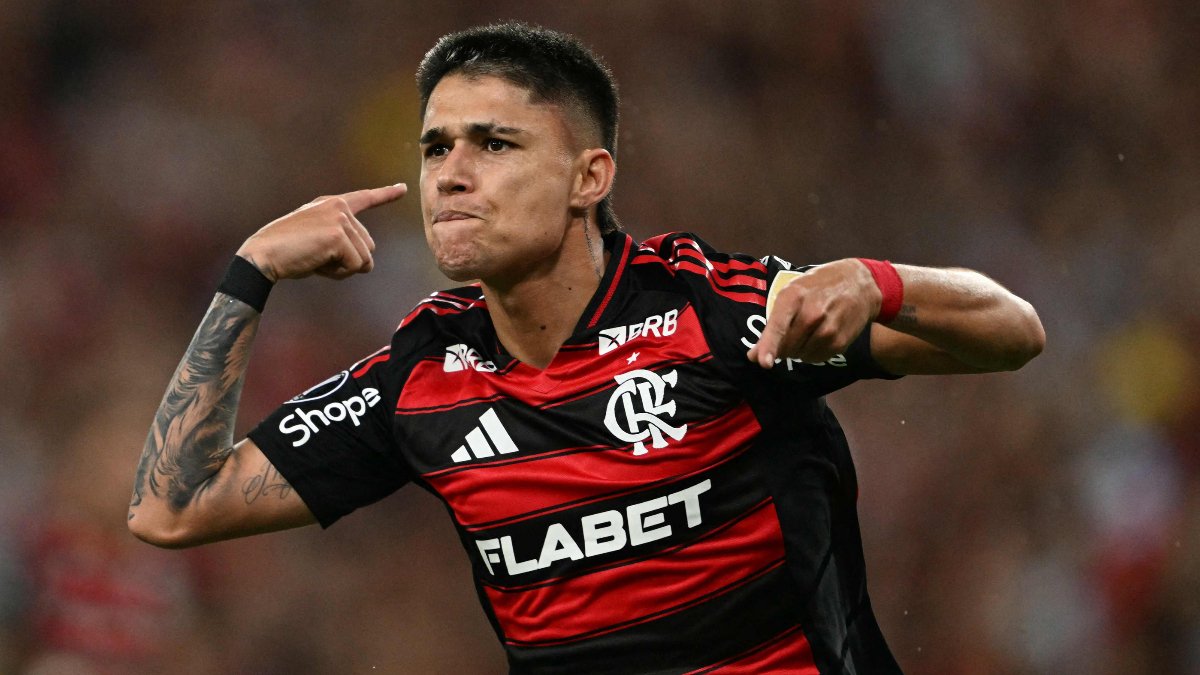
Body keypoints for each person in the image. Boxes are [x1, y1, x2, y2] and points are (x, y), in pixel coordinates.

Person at [128, 21, 1045, 674]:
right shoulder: (423, 374)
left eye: (493, 143)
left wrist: (877, 281)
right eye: (436, 146)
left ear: (587, 176)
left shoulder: (710, 308)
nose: (451, 172)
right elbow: (171, 509)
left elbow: (1013, 332)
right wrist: (249, 273)